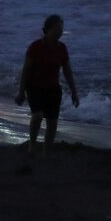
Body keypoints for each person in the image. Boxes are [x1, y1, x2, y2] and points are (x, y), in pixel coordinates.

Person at [14, 14, 79, 155]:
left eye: (61, 29)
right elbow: (26, 70)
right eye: (56, 29)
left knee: (52, 122)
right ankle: (32, 144)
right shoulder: (35, 47)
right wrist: (21, 92)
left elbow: (67, 71)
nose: (59, 32)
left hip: (53, 88)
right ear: (47, 30)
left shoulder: (62, 48)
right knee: (37, 116)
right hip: (35, 87)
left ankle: (46, 151)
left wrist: (74, 91)